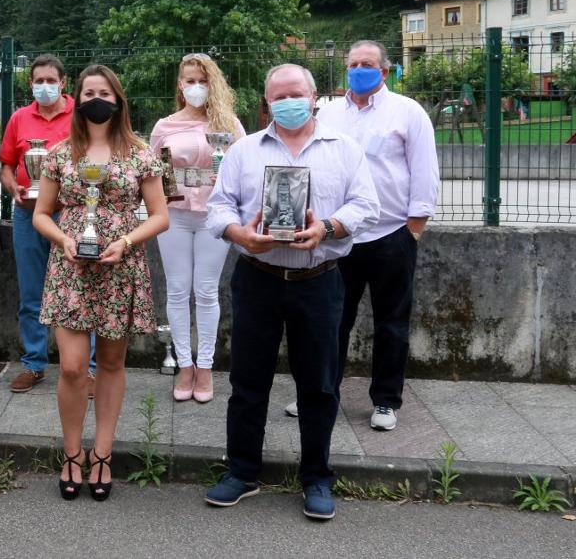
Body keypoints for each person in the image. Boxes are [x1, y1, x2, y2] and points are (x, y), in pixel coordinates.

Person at [204, 63, 379, 521]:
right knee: (247, 382)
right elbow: (218, 206)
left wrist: (329, 226)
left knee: (320, 385)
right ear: (267, 102)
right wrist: (240, 234)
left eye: (295, 93)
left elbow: (366, 204)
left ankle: (317, 477)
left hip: (318, 281)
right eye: (278, 95)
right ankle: (241, 472)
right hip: (257, 276)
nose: (288, 101)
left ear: (314, 95)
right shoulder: (243, 151)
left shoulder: (345, 149)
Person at [283, 41, 438, 431]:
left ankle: (386, 401)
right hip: (339, 234)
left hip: (391, 234)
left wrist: (414, 229)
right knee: (331, 320)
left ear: (384, 71)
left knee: (391, 323)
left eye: (367, 64)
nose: (359, 70)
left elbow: (424, 171)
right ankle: (321, 394)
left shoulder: (408, 112)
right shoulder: (328, 114)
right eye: (353, 64)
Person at [32, 64, 169, 501]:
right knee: (72, 366)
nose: (97, 98)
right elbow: (40, 214)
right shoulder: (58, 154)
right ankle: (72, 453)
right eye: (89, 91)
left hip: (120, 267)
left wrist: (126, 241)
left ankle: (103, 453)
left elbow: (161, 216)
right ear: (78, 98)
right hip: (71, 268)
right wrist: (64, 239)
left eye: (104, 92)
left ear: (118, 99)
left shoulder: (140, 152)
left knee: (110, 364)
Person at [0, 54, 98, 397]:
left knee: (82, 289)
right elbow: (7, 166)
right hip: (28, 214)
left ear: (64, 82)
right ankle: (33, 364)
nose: (44, 86)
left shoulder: (81, 117)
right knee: (31, 292)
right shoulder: (19, 119)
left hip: (72, 215)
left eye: (49, 80)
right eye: (37, 81)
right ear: (30, 84)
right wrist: (11, 186)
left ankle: (90, 369)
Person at [150, 53, 245, 403]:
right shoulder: (164, 126)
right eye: (189, 81)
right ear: (179, 84)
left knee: (206, 290)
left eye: (202, 81)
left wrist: (194, 178)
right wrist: (195, 178)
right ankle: (184, 365)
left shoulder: (229, 123)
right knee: (176, 290)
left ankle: (205, 367)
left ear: (213, 84)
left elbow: (239, 171)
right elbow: (158, 175)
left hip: (214, 216)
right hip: (174, 215)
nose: (196, 87)